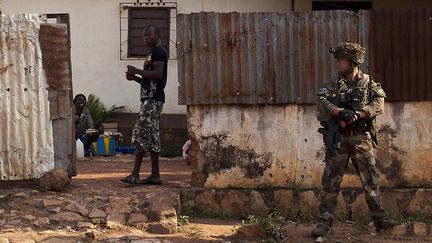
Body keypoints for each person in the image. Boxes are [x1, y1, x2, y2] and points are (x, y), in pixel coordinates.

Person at [312, 42, 395, 237]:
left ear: (353, 62)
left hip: (361, 138)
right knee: (331, 182)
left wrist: (359, 114)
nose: (338, 64)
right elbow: (321, 101)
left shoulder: (369, 83)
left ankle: (380, 220)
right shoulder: (333, 85)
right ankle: (325, 222)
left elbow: (379, 103)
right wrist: (339, 112)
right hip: (338, 139)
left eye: (341, 60)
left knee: (371, 181)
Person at [121, 25, 168, 185]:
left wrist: (137, 70)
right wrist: (134, 77)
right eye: (143, 35)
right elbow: (150, 80)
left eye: (149, 34)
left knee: (141, 132)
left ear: (157, 35)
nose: (145, 38)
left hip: (153, 100)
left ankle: (135, 174)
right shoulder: (151, 53)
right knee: (153, 137)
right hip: (151, 98)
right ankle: (155, 175)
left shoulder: (158, 52)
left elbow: (157, 74)